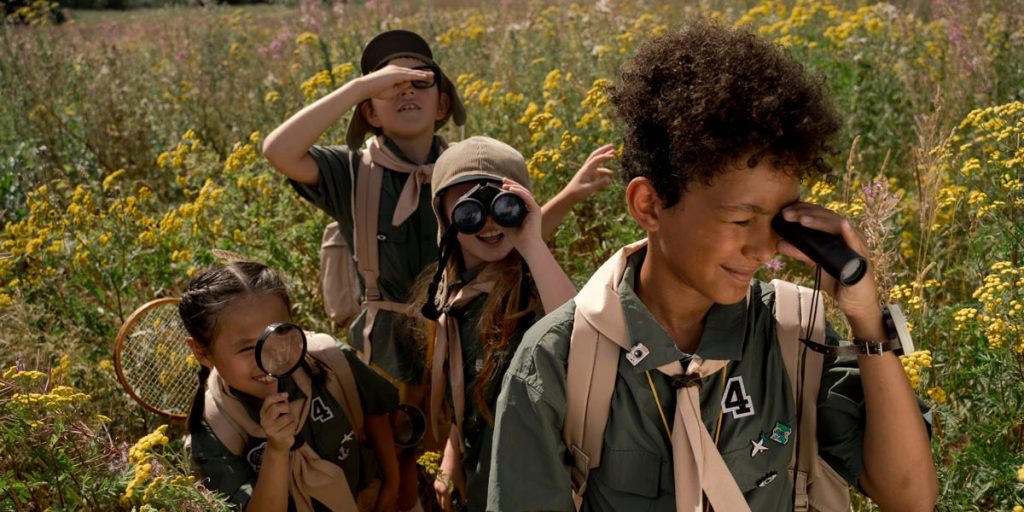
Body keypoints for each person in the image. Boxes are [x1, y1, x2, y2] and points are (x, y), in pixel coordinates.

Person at [487, 21, 938, 512]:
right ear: (650, 206)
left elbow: (908, 496)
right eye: (742, 219)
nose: (764, 250)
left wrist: (866, 318)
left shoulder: (792, 335)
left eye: (780, 222)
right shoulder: (560, 360)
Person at [262, 29, 614, 511]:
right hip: (387, 343)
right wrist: (358, 87)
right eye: (389, 83)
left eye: (419, 80)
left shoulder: (462, 170)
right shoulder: (354, 172)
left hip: (467, 325)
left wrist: (566, 197)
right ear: (369, 111)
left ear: (443, 103)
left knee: (459, 446)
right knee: (393, 467)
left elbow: (504, 244)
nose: (405, 88)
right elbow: (278, 151)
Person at [421, 136, 578, 512]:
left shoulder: (534, 287)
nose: (489, 223)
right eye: (469, 210)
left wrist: (530, 241)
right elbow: (469, 393)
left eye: (501, 204)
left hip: (536, 484)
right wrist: (452, 453)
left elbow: (580, 335)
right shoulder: (451, 298)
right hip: (481, 476)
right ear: (445, 218)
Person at [180, 261, 401, 512]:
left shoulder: (331, 361)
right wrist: (276, 449)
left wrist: (393, 483)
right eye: (247, 348)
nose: (269, 358)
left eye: (279, 333)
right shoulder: (212, 430)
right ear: (201, 351)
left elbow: (375, 411)